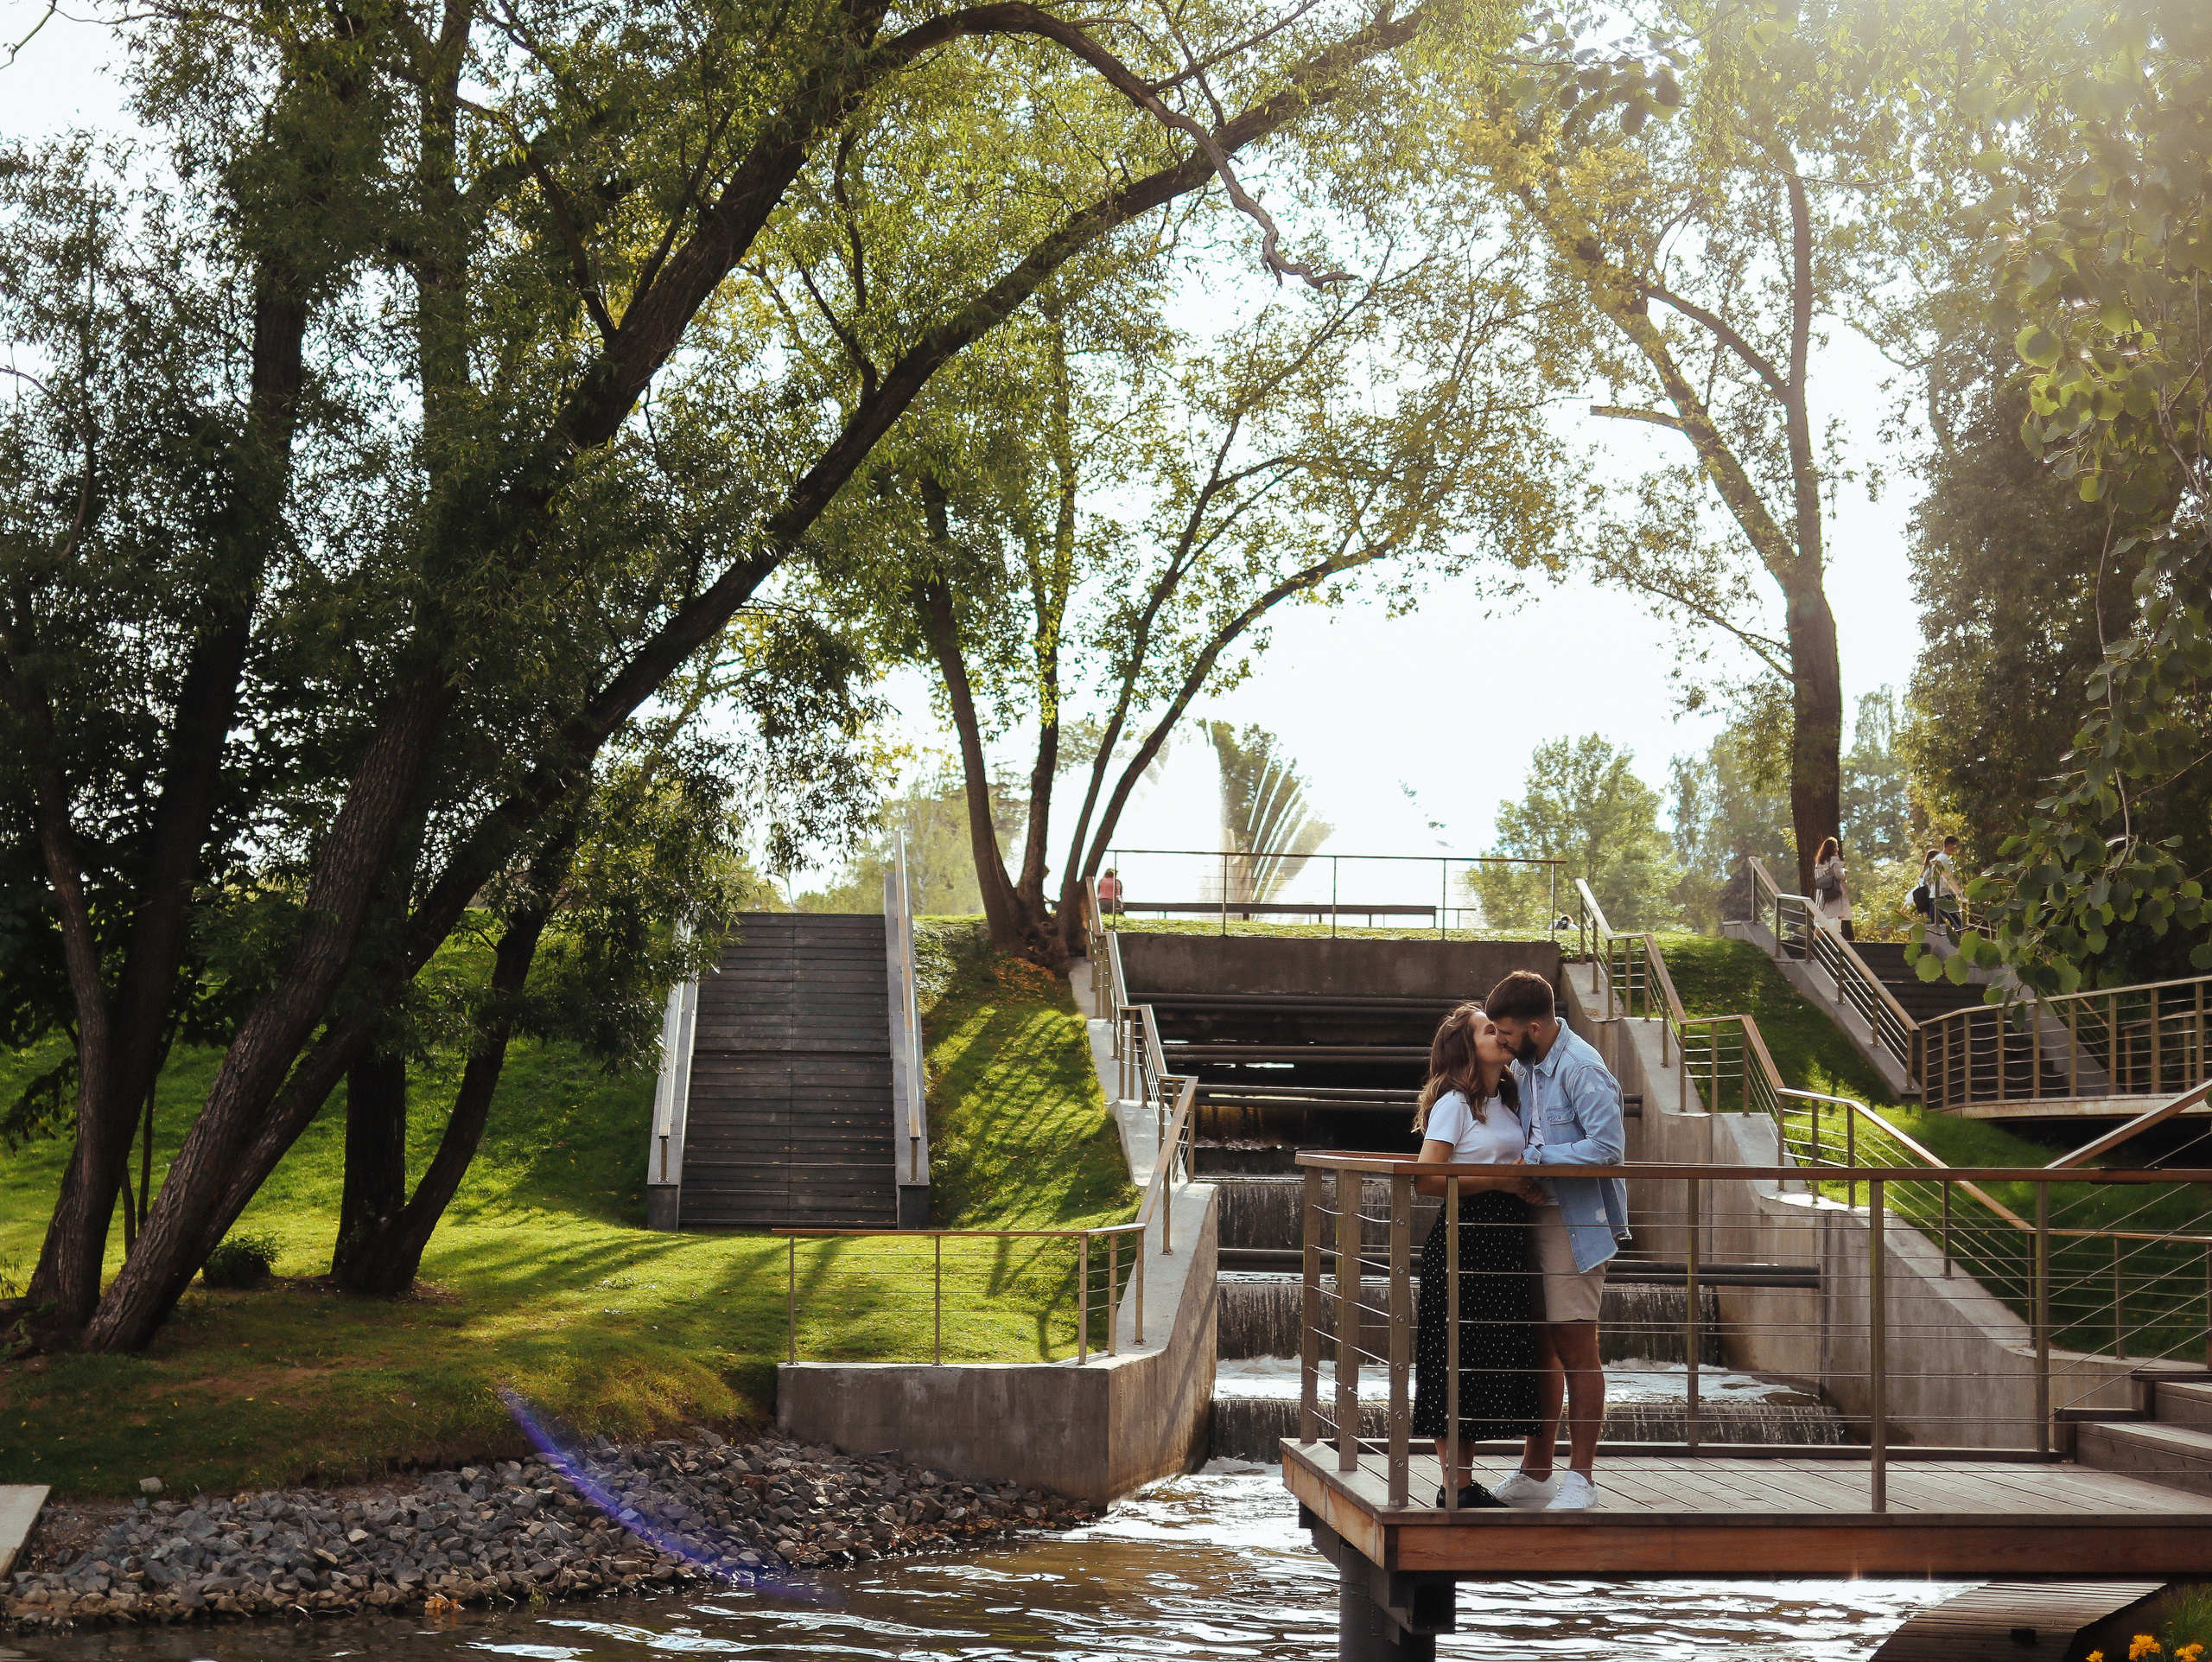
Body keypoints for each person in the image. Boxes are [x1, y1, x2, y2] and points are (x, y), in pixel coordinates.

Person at [1482, 969, 1630, 1512]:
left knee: (1575, 1345)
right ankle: (1536, 1470)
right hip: (1540, 1214)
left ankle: (1582, 1479)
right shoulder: (1528, 1065)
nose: (1499, 1040)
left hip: (1578, 1220)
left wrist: (1539, 1161)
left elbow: (1609, 1148)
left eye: (1505, 1031)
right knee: (1540, 1344)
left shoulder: (1582, 1068)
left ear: (1536, 1026)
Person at [1408, 1003, 1545, 1508]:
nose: (1502, 1034)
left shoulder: (1506, 1102)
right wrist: (1505, 1180)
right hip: (1464, 1243)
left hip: (1503, 1244)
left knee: (1482, 1362)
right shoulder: (1454, 1104)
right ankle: (1456, 1487)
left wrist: (1524, 1185)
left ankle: (1461, 1484)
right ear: (1469, 1047)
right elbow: (1426, 1179)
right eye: (1490, 1030)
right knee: (1453, 1361)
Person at [1811, 836, 1853, 942]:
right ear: (1833, 848)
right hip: (1834, 894)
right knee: (1836, 922)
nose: (1837, 849)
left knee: (1820, 923)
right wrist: (1844, 872)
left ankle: (1814, 947)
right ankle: (1839, 949)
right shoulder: (1834, 860)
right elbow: (1840, 876)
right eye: (1836, 846)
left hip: (1823, 895)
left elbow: (1817, 877)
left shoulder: (1819, 862)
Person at [1923, 837, 1963, 939]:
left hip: (1934, 896)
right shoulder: (1945, 859)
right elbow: (1949, 878)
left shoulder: (1936, 858)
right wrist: (1960, 894)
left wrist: (1933, 887)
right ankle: (1959, 945)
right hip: (1945, 895)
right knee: (1958, 924)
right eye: (1955, 846)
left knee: (1933, 924)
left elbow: (1925, 876)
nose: (1957, 849)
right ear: (1949, 845)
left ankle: (1934, 944)